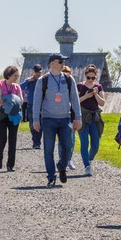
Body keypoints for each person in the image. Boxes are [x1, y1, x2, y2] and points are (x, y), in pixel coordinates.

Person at [32, 54, 82, 187]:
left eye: (63, 61)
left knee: (68, 146)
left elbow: (75, 99)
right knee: (48, 150)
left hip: (65, 119)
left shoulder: (69, 79)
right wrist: (35, 120)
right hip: (48, 119)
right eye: (60, 61)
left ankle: (61, 166)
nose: (63, 64)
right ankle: (51, 177)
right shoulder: (43, 80)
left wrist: (78, 118)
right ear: (52, 63)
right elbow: (36, 101)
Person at [0, 66, 23, 172]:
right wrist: (13, 100)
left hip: (14, 115)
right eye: (15, 76)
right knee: (2, 138)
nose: (17, 78)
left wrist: (8, 100)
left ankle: (10, 165)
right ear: (8, 75)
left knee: (13, 139)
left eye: (18, 76)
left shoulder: (17, 87)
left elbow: (20, 101)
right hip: (1, 115)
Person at [77, 64, 105, 176]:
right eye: (88, 77)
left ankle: (88, 159)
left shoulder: (98, 87)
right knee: (84, 142)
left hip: (95, 117)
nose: (90, 80)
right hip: (83, 117)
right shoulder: (80, 86)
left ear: (96, 77)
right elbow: (75, 101)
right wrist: (86, 96)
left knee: (95, 145)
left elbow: (102, 103)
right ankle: (87, 165)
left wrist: (96, 94)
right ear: (85, 76)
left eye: (93, 78)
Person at [21, 64, 43, 149]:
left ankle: (37, 143)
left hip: (41, 105)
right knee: (32, 123)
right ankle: (35, 140)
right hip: (31, 104)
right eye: (37, 72)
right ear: (34, 71)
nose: (38, 74)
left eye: (39, 72)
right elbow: (20, 87)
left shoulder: (43, 80)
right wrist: (28, 81)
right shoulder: (29, 80)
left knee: (40, 123)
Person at [62, 65, 78, 171]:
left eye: (68, 74)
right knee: (62, 141)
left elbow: (76, 103)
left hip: (72, 117)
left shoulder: (73, 86)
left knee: (71, 140)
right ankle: (62, 160)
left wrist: (77, 118)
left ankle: (69, 159)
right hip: (62, 116)